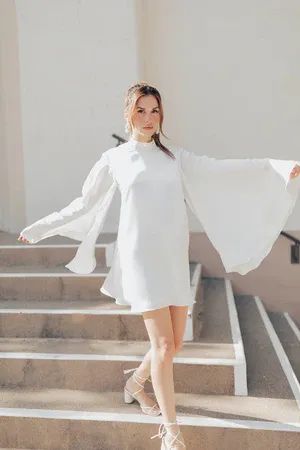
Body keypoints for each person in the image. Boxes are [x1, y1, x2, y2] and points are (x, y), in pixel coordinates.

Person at [18, 82, 300, 449]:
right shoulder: (114, 159)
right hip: (140, 259)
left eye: (154, 111)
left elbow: (222, 170)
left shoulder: (175, 158)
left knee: (175, 343)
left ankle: (135, 383)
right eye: (141, 110)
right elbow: (82, 205)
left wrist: (276, 168)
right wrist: (40, 228)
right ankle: (171, 431)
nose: (148, 118)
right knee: (165, 345)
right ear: (128, 113)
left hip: (171, 257)